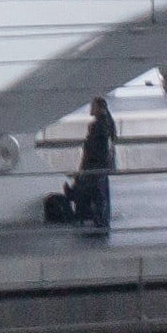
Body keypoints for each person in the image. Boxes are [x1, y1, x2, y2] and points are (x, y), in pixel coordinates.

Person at [42, 96, 118, 236]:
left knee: (95, 194)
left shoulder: (98, 126)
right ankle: (101, 222)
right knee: (100, 195)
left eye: (93, 106)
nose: (90, 109)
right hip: (101, 166)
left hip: (95, 166)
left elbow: (94, 149)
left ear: (99, 107)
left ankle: (98, 222)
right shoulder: (108, 123)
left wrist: (86, 166)